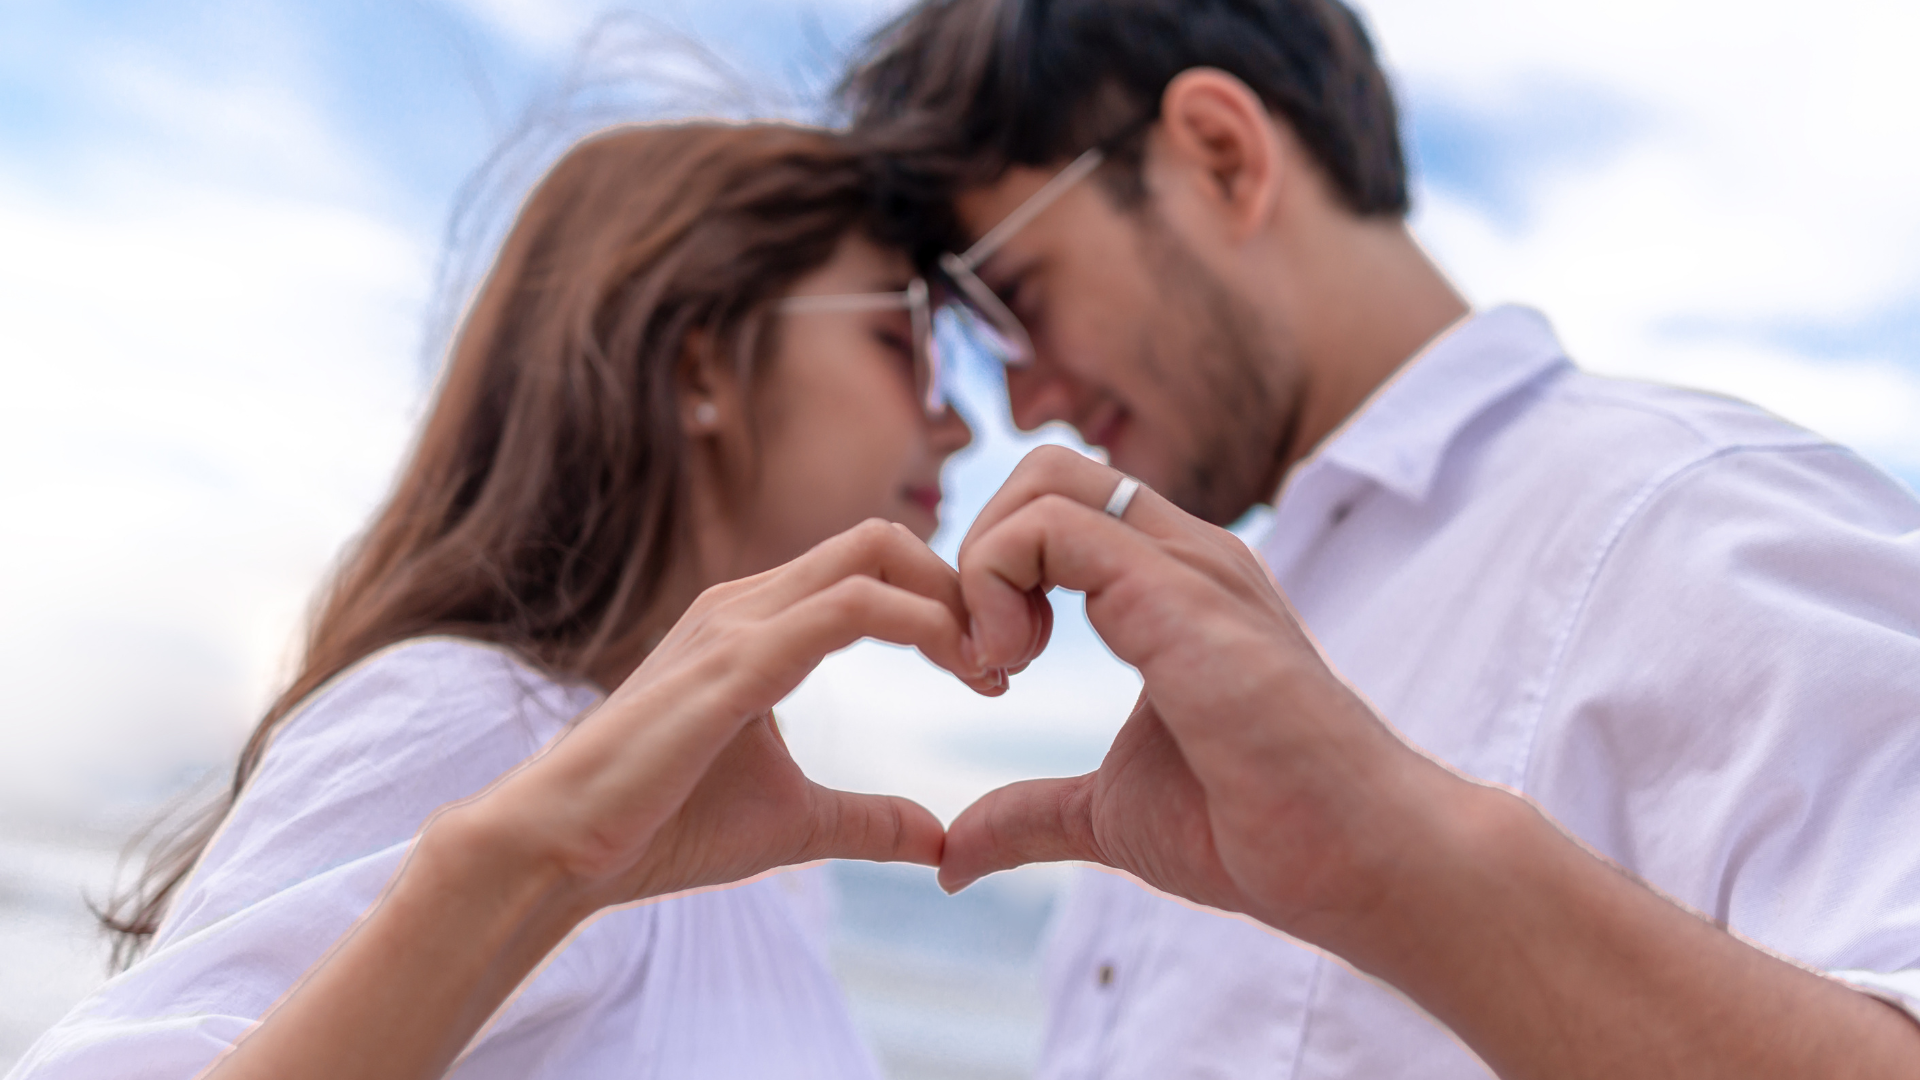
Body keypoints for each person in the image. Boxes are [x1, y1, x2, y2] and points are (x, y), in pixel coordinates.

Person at [840, 0, 1920, 1076]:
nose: (1023, 403)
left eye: (1018, 300)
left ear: (1222, 157)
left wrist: (1398, 867)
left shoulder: (1693, 524)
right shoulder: (1235, 628)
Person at [9, 121, 998, 1080]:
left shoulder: (761, 856)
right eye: (900, 336)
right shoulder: (479, 719)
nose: (956, 420)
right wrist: (520, 867)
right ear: (700, 367)